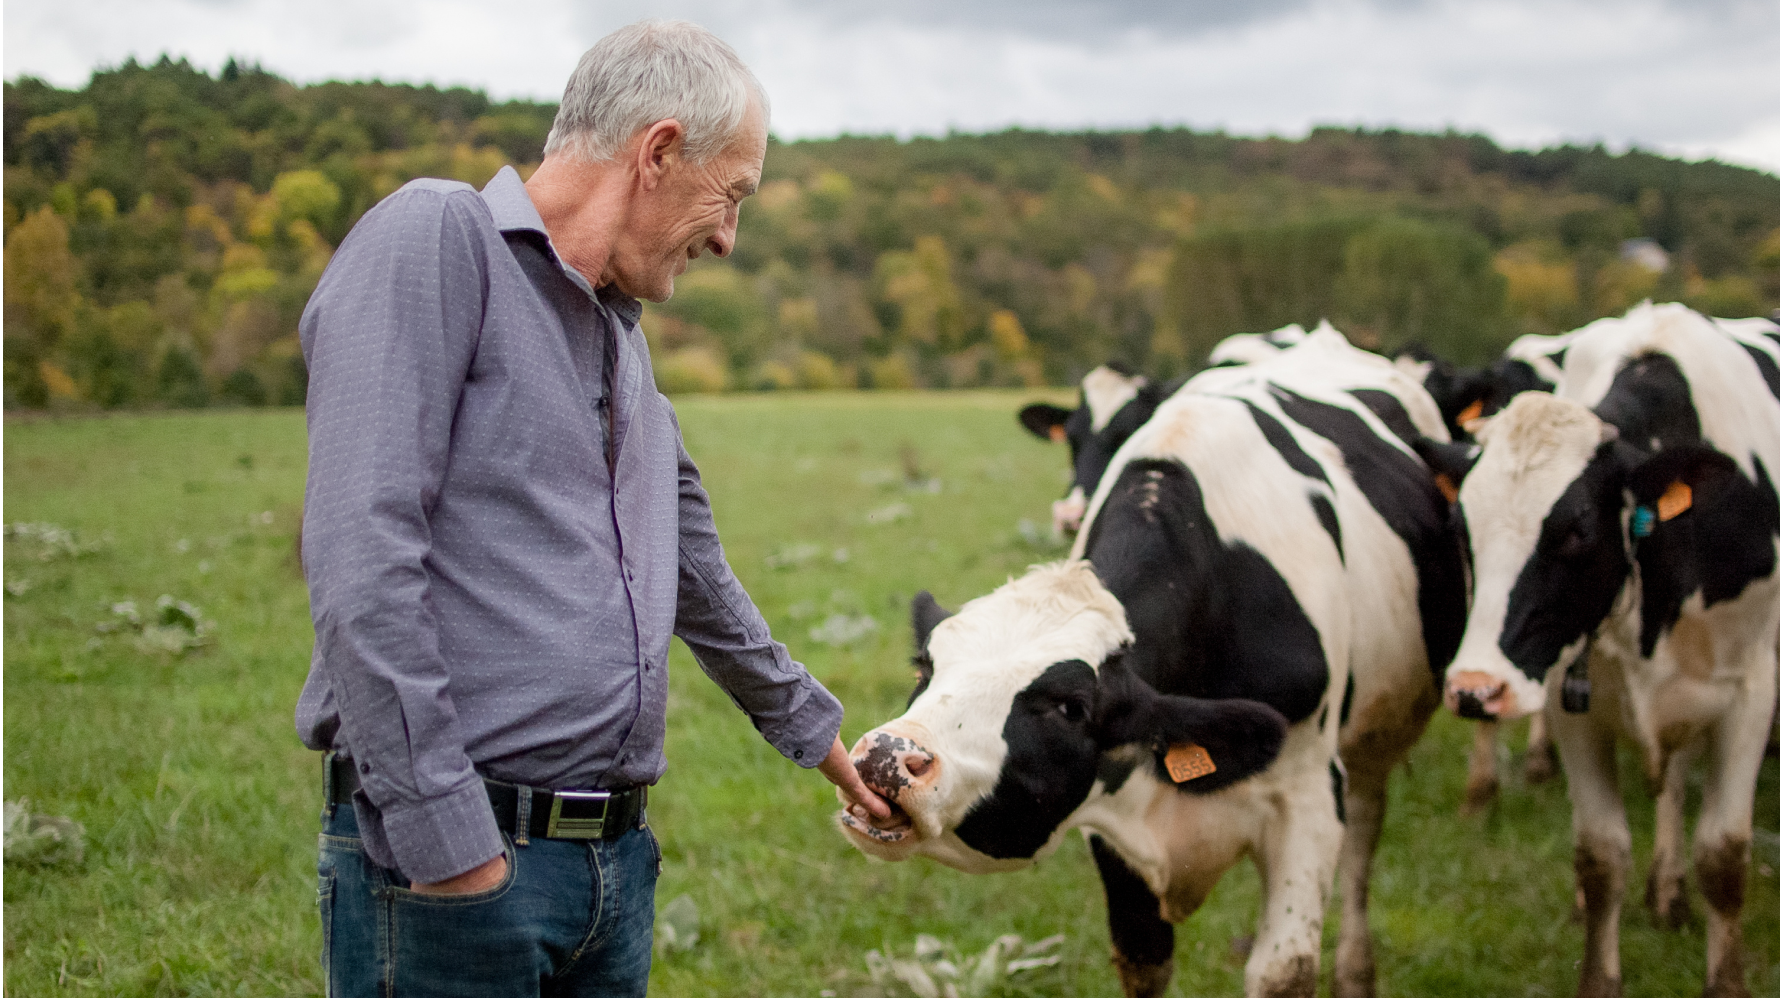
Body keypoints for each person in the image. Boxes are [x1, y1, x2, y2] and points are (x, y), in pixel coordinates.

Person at [295, 20, 891, 997]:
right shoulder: (438, 239)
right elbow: (362, 558)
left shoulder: (620, 334)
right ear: (658, 151)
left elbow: (690, 564)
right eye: (730, 194)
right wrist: (454, 852)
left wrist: (824, 743)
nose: (729, 238)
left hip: (610, 870)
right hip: (460, 870)